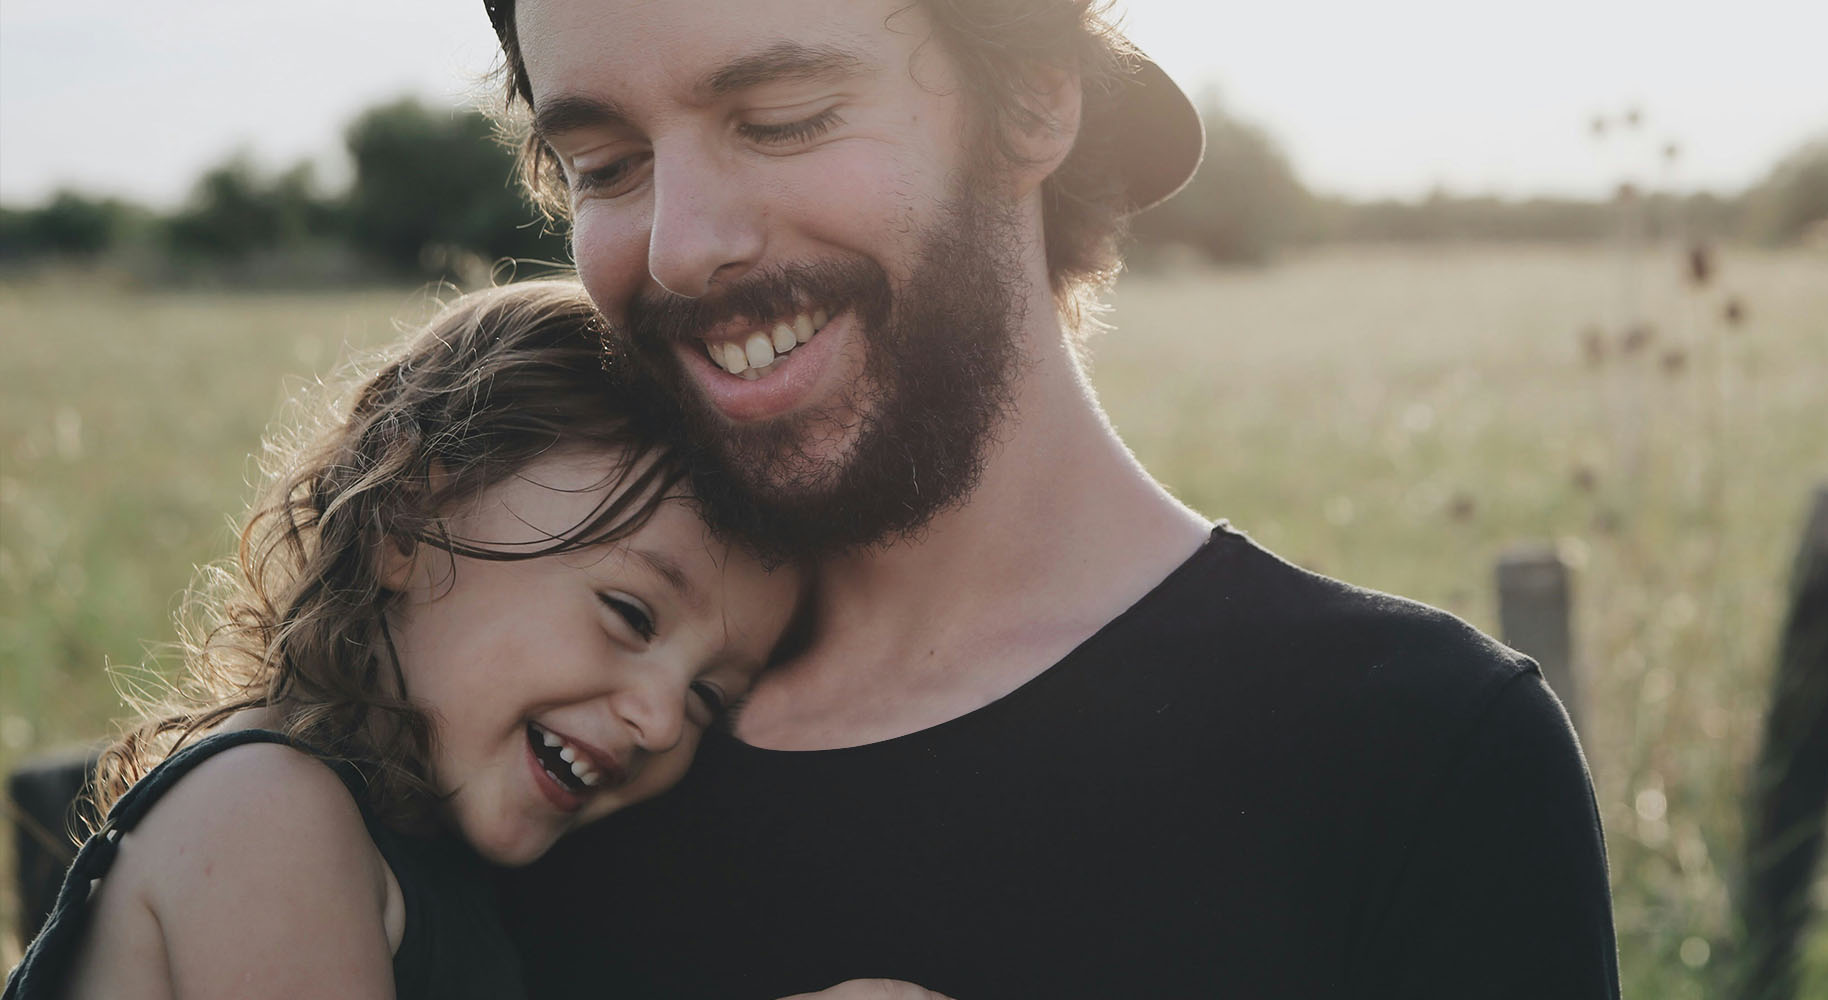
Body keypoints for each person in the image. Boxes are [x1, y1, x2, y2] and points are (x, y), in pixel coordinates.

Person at [486, 1, 1623, 996]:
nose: (683, 246)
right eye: (606, 166)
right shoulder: (538, 738)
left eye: (781, 117)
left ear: (1030, 108)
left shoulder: (1419, 754)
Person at [3, 282, 801, 999]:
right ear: (406, 520)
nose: (662, 720)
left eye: (708, 697)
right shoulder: (266, 817)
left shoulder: (431, 858)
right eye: (630, 613)